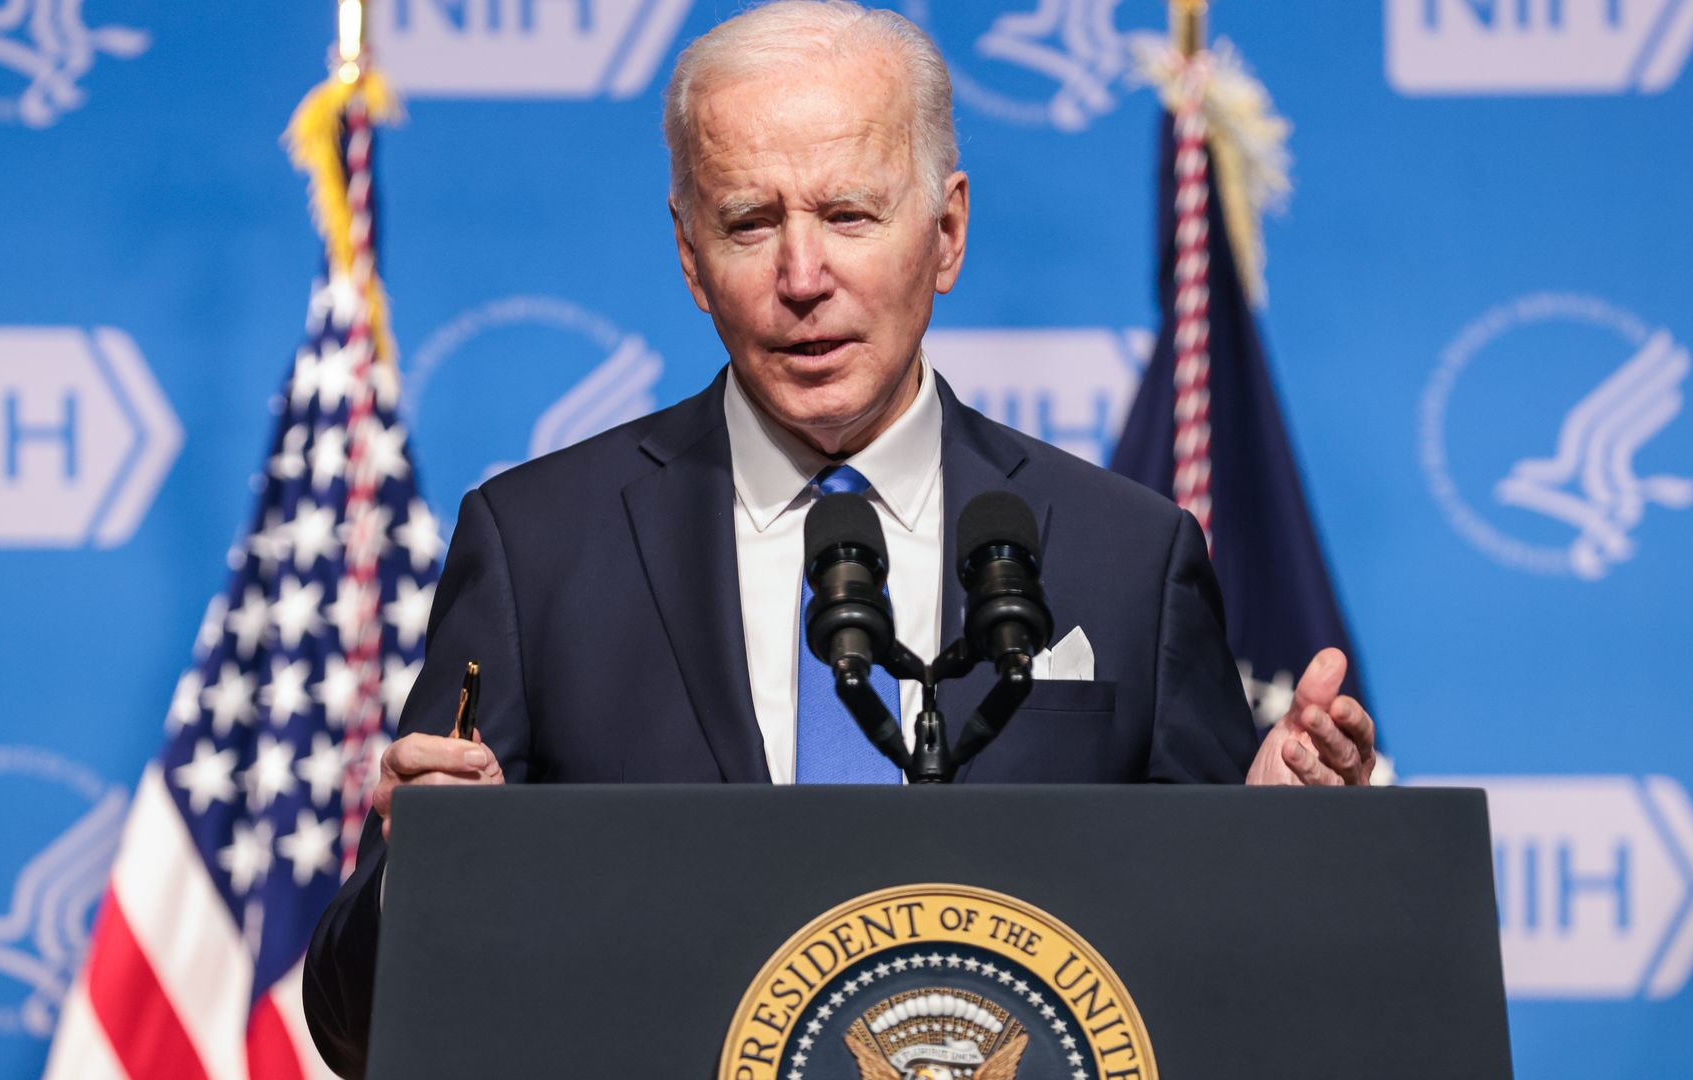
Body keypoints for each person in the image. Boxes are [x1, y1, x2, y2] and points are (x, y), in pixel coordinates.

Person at [303, 2, 1375, 1074]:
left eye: (850, 214)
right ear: (689, 253)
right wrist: (429, 875)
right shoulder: (538, 550)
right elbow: (357, 1030)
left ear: (946, 233)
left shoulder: (1127, 558)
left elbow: (1227, 1010)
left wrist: (1271, 850)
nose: (803, 277)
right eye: (749, 223)